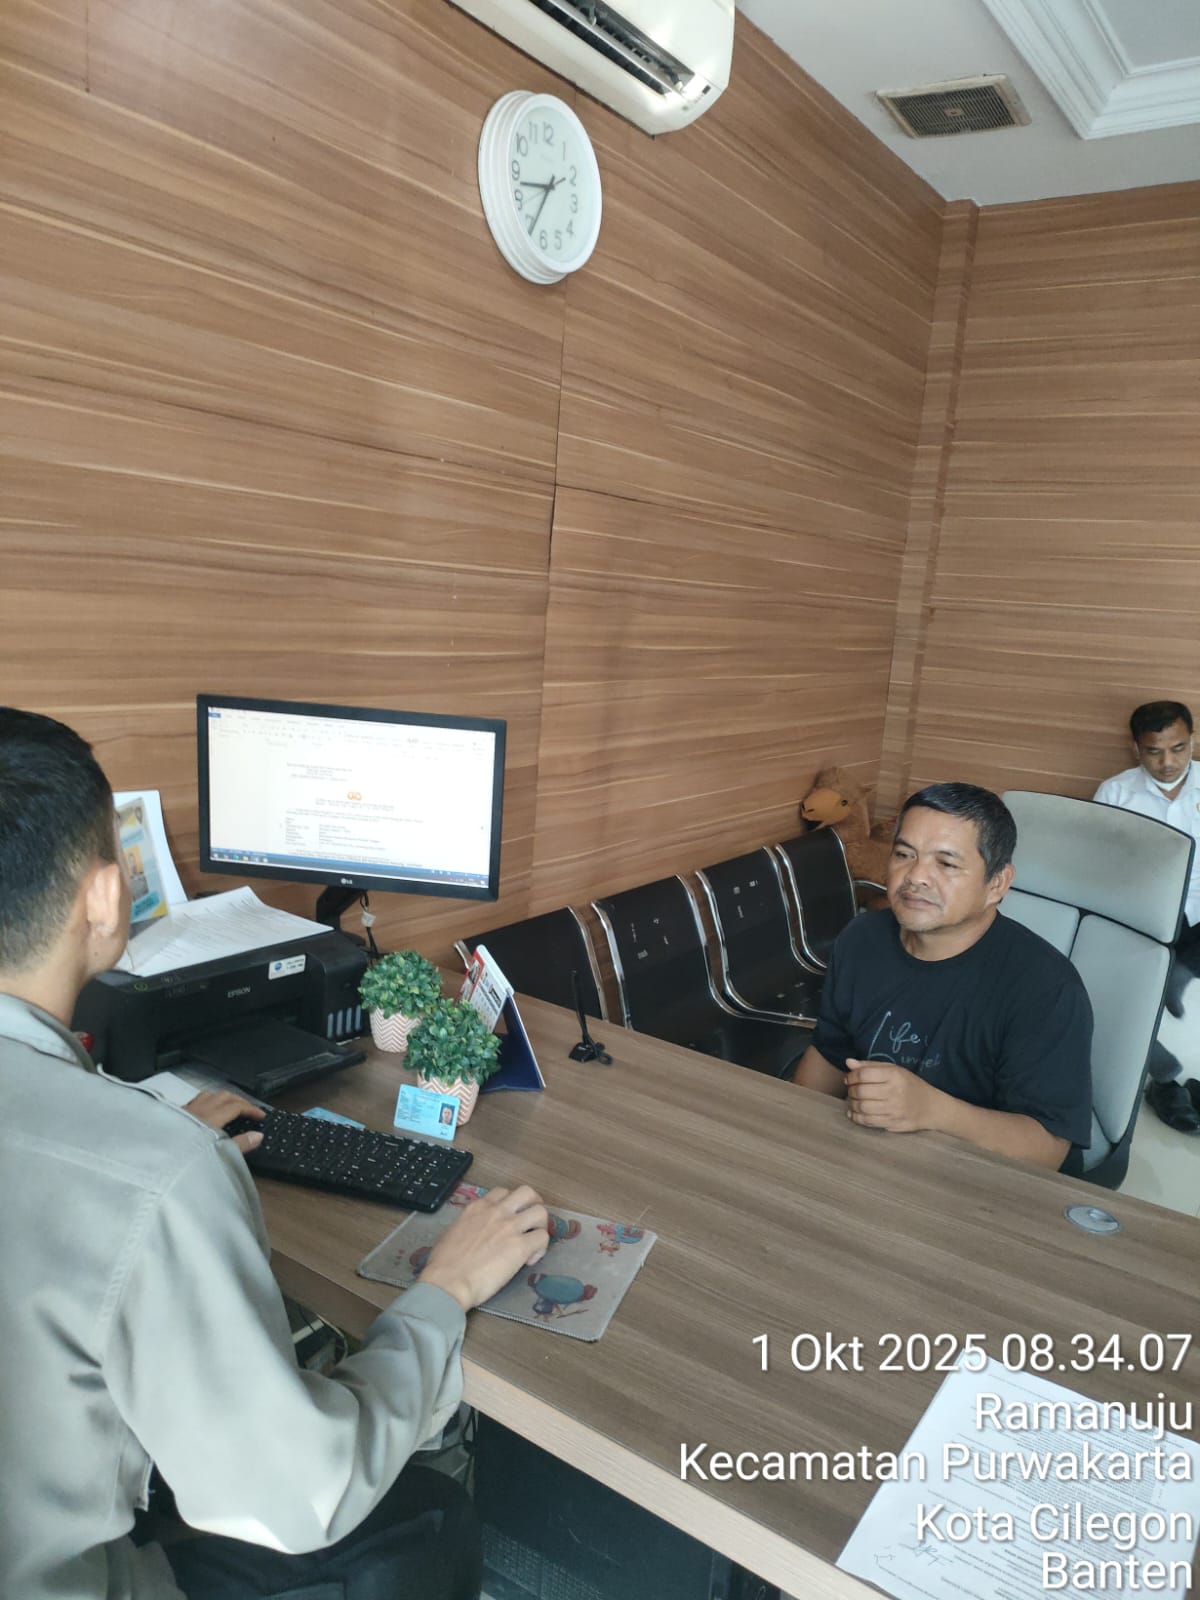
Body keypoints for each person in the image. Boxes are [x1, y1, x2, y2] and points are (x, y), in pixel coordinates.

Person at [0, 707, 550, 1600]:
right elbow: (298, 1495)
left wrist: (147, 1133)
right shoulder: (157, 1173)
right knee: (427, 1514)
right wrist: (443, 1292)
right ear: (103, 897)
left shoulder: (147, 1158)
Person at [792, 782, 1092, 1171]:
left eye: (946, 864)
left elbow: (1047, 1149)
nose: (916, 876)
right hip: (877, 1162)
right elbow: (829, 1055)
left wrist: (932, 1111)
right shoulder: (861, 938)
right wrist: (790, 1137)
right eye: (904, 854)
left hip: (982, 1181)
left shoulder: (1046, 987)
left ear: (997, 884)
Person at [1093, 700, 1200, 1133]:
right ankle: (1165, 1081)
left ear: (1192, 741)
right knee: (1130, 973)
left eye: (1178, 748)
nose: (1168, 762)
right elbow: (1101, 867)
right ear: (1136, 749)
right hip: (1146, 908)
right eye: (1154, 752)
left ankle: (1180, 974)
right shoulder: (1115, 793)